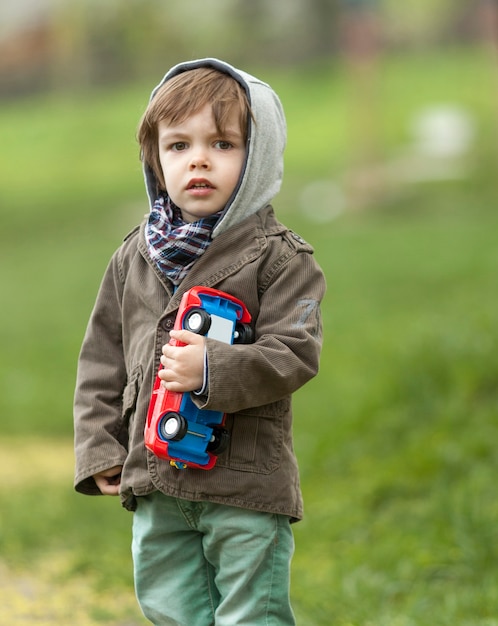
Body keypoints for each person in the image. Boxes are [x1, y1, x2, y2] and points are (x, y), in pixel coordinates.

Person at [73, 58, 325, 625]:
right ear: (156, 161)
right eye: (178, 145)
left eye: (223, 143)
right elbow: (101, 361)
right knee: (171, 610)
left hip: (243, 482)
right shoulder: (133, 257)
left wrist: (212, 370)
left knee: (250, 613)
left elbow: (295, 351)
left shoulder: (281, 260)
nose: (199, 160)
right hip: (155, 478)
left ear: (257, 155)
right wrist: (100, 447)